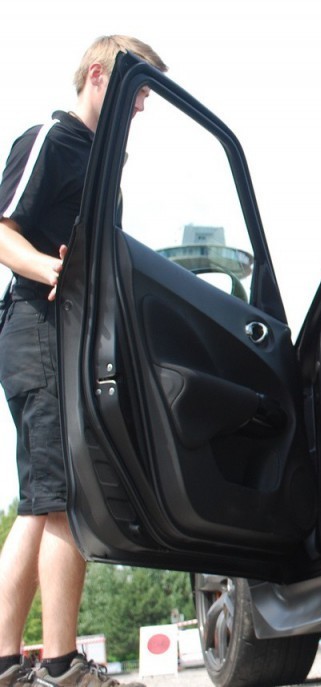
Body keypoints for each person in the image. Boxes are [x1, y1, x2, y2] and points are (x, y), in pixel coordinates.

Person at [0, 36, 167, 687]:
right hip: (37, 330)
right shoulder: (52, 139)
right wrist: (53, 271)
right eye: (137, 90)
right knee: (64, 498)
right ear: (98, 75)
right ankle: (61, 666)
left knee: (42, 503)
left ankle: (9, 664)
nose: (141, 106)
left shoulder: (101, 165)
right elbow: (3, 229)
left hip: (64, 337)